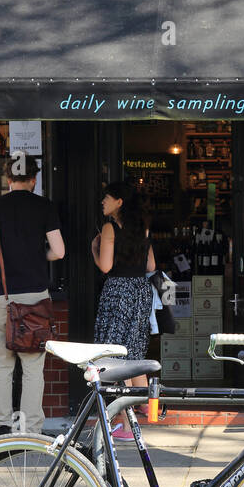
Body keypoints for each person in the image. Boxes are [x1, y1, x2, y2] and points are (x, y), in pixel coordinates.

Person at [0, 154, 65, 438]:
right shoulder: (45, 207)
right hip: (35, 298)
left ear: (8, 179)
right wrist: (39, 257)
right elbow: (59, 251)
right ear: (34, 179)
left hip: (3, 297)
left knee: (1, 365)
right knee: (33, 367)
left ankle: (1, 425)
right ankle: (30, 428)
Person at [92, 182, 157, 439]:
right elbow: (151, 263)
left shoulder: (109, 228)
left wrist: (94, 250)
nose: (102, 202)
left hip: (118, 291)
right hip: (141, 291)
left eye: (106, 198)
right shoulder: (143, 227)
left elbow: (106, 267)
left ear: (119, 201)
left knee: (118, 356)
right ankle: (150, 408)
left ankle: (127, 426)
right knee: (135, 352)